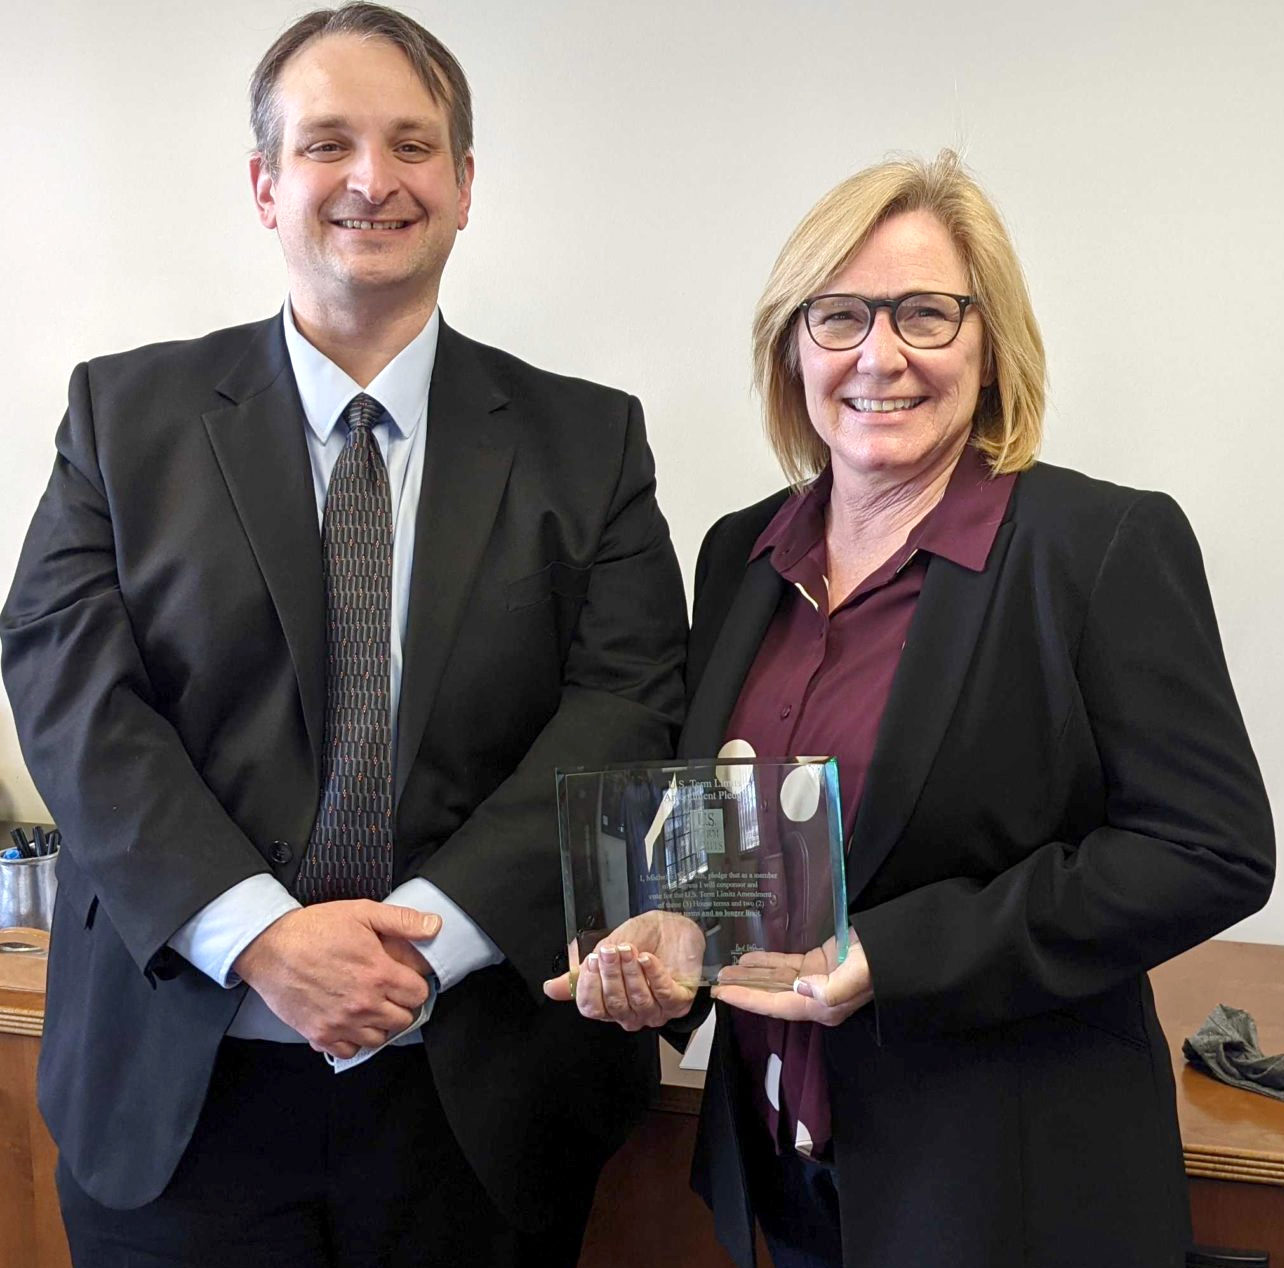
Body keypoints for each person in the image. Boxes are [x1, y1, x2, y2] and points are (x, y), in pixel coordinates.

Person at [0, 5, 686, 1266]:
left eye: (413, 145)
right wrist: (258, 931)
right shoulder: (123, 413)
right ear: (266, 186)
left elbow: (627, 706)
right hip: (178, 1100)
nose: (373, 178)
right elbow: (70, 689)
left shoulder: (592, 443)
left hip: (479, 1108)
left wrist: (419, 942)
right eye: (328, 144)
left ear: (466, 186)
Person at [545, 151, 1274, 1267]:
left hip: (1008, 1195)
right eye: (838, 316)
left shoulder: (1095, 548)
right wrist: (668, 942)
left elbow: (1209, 849)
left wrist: (892, 951)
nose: (879, 355)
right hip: (785, 1173)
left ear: (990, 346)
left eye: (925, 315)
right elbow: (731, 836)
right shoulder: (741, 552)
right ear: (793, 347)